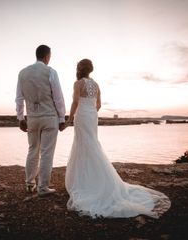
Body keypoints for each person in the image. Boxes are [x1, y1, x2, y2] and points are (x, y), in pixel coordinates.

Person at [65, 59, 171, 218]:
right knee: (92, 144)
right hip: (92, 116)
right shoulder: (96, 85)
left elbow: (74, 102)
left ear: (80, 69)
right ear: (90, 69)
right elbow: (98, 105)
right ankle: (94, 179)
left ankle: (84, 181)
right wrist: (90, 111)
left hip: (82, 116)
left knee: (83, 145)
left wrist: (70, 118)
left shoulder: (78, 83)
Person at [16, 45, 66, 197]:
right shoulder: (51, 72)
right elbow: (58, 97)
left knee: (33, 150)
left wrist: (20, 117)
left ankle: (29, 183)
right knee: (46, 153)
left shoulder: (22, 73)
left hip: (32, 118)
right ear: (46, 56)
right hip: (49, 117)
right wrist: (62, 117)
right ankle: (43, 187)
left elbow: (19, 98)